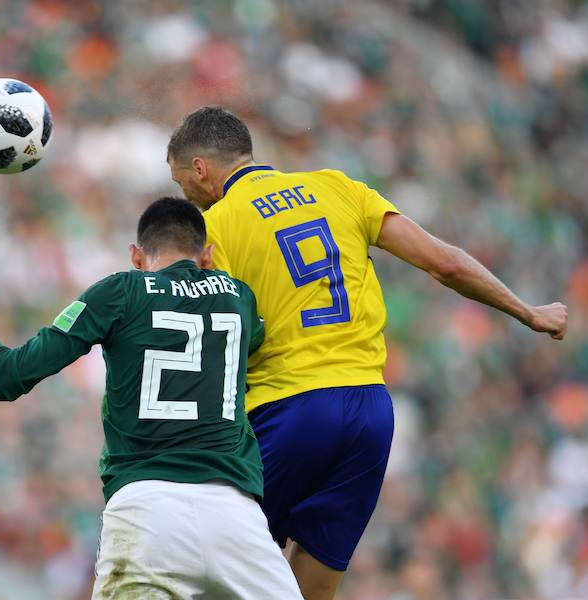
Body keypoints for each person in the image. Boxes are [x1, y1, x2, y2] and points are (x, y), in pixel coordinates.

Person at [166, 106, 569, 600]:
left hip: (288, 409)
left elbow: (214, 337)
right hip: (371, 416)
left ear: (201, 169)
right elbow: (444, 263)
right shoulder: (340, 187)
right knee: (309, 587)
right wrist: (527, 310)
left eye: (180, 179)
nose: (182, 193)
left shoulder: (215, 228)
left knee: (191, 562)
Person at [0, 197, 303, 599]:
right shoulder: (238, 297)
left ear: (135, 255)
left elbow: (5, 376)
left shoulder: (119, 292)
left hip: (145, 514)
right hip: (236, 517)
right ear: (208, 255)